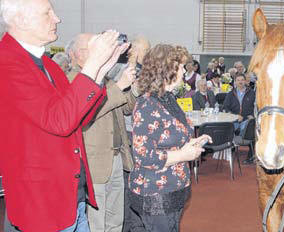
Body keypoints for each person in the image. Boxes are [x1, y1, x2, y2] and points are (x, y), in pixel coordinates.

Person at [0, 0, 124, 230]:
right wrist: (93, 62)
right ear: (19, 20)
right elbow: (59, 121)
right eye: (47, 13)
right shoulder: (6, 61)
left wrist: (101, 70)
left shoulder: (48, 64)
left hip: (71, 199)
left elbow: (79, 119)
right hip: (43, 205)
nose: (57, 19)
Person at [128, 44, 211, 231]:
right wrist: (184, 155)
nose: (184, 70)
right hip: (156, 193)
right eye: (180, 66)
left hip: (174, 188)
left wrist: (191, 143)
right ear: (166, 69)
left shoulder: (168, 98)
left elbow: (173, 138)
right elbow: (143, 156)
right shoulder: (147, 104)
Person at [66, 33, 137, 232]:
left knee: (116, 217)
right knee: (96, 221)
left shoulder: (103, 77)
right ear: (75, 55)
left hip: (115, 155)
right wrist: (119, 86)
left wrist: (134, 88)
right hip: (94, 161)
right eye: (92, 48)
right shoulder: (72, 80)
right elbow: (88, 113)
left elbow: (125, 108)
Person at [222, 73, 256, 164]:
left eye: (242, 80)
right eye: (238, 80)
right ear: (235, 82)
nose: (240, 82)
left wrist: (252, 115)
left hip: (247, 120)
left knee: (251, 125)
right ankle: (236, 138)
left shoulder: (252, 93)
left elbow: (257, 107)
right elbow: (225, 108)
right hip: (234, 121)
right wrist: (235, 116)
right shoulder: (230, 94)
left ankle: (251, 155)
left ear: (245, 81)